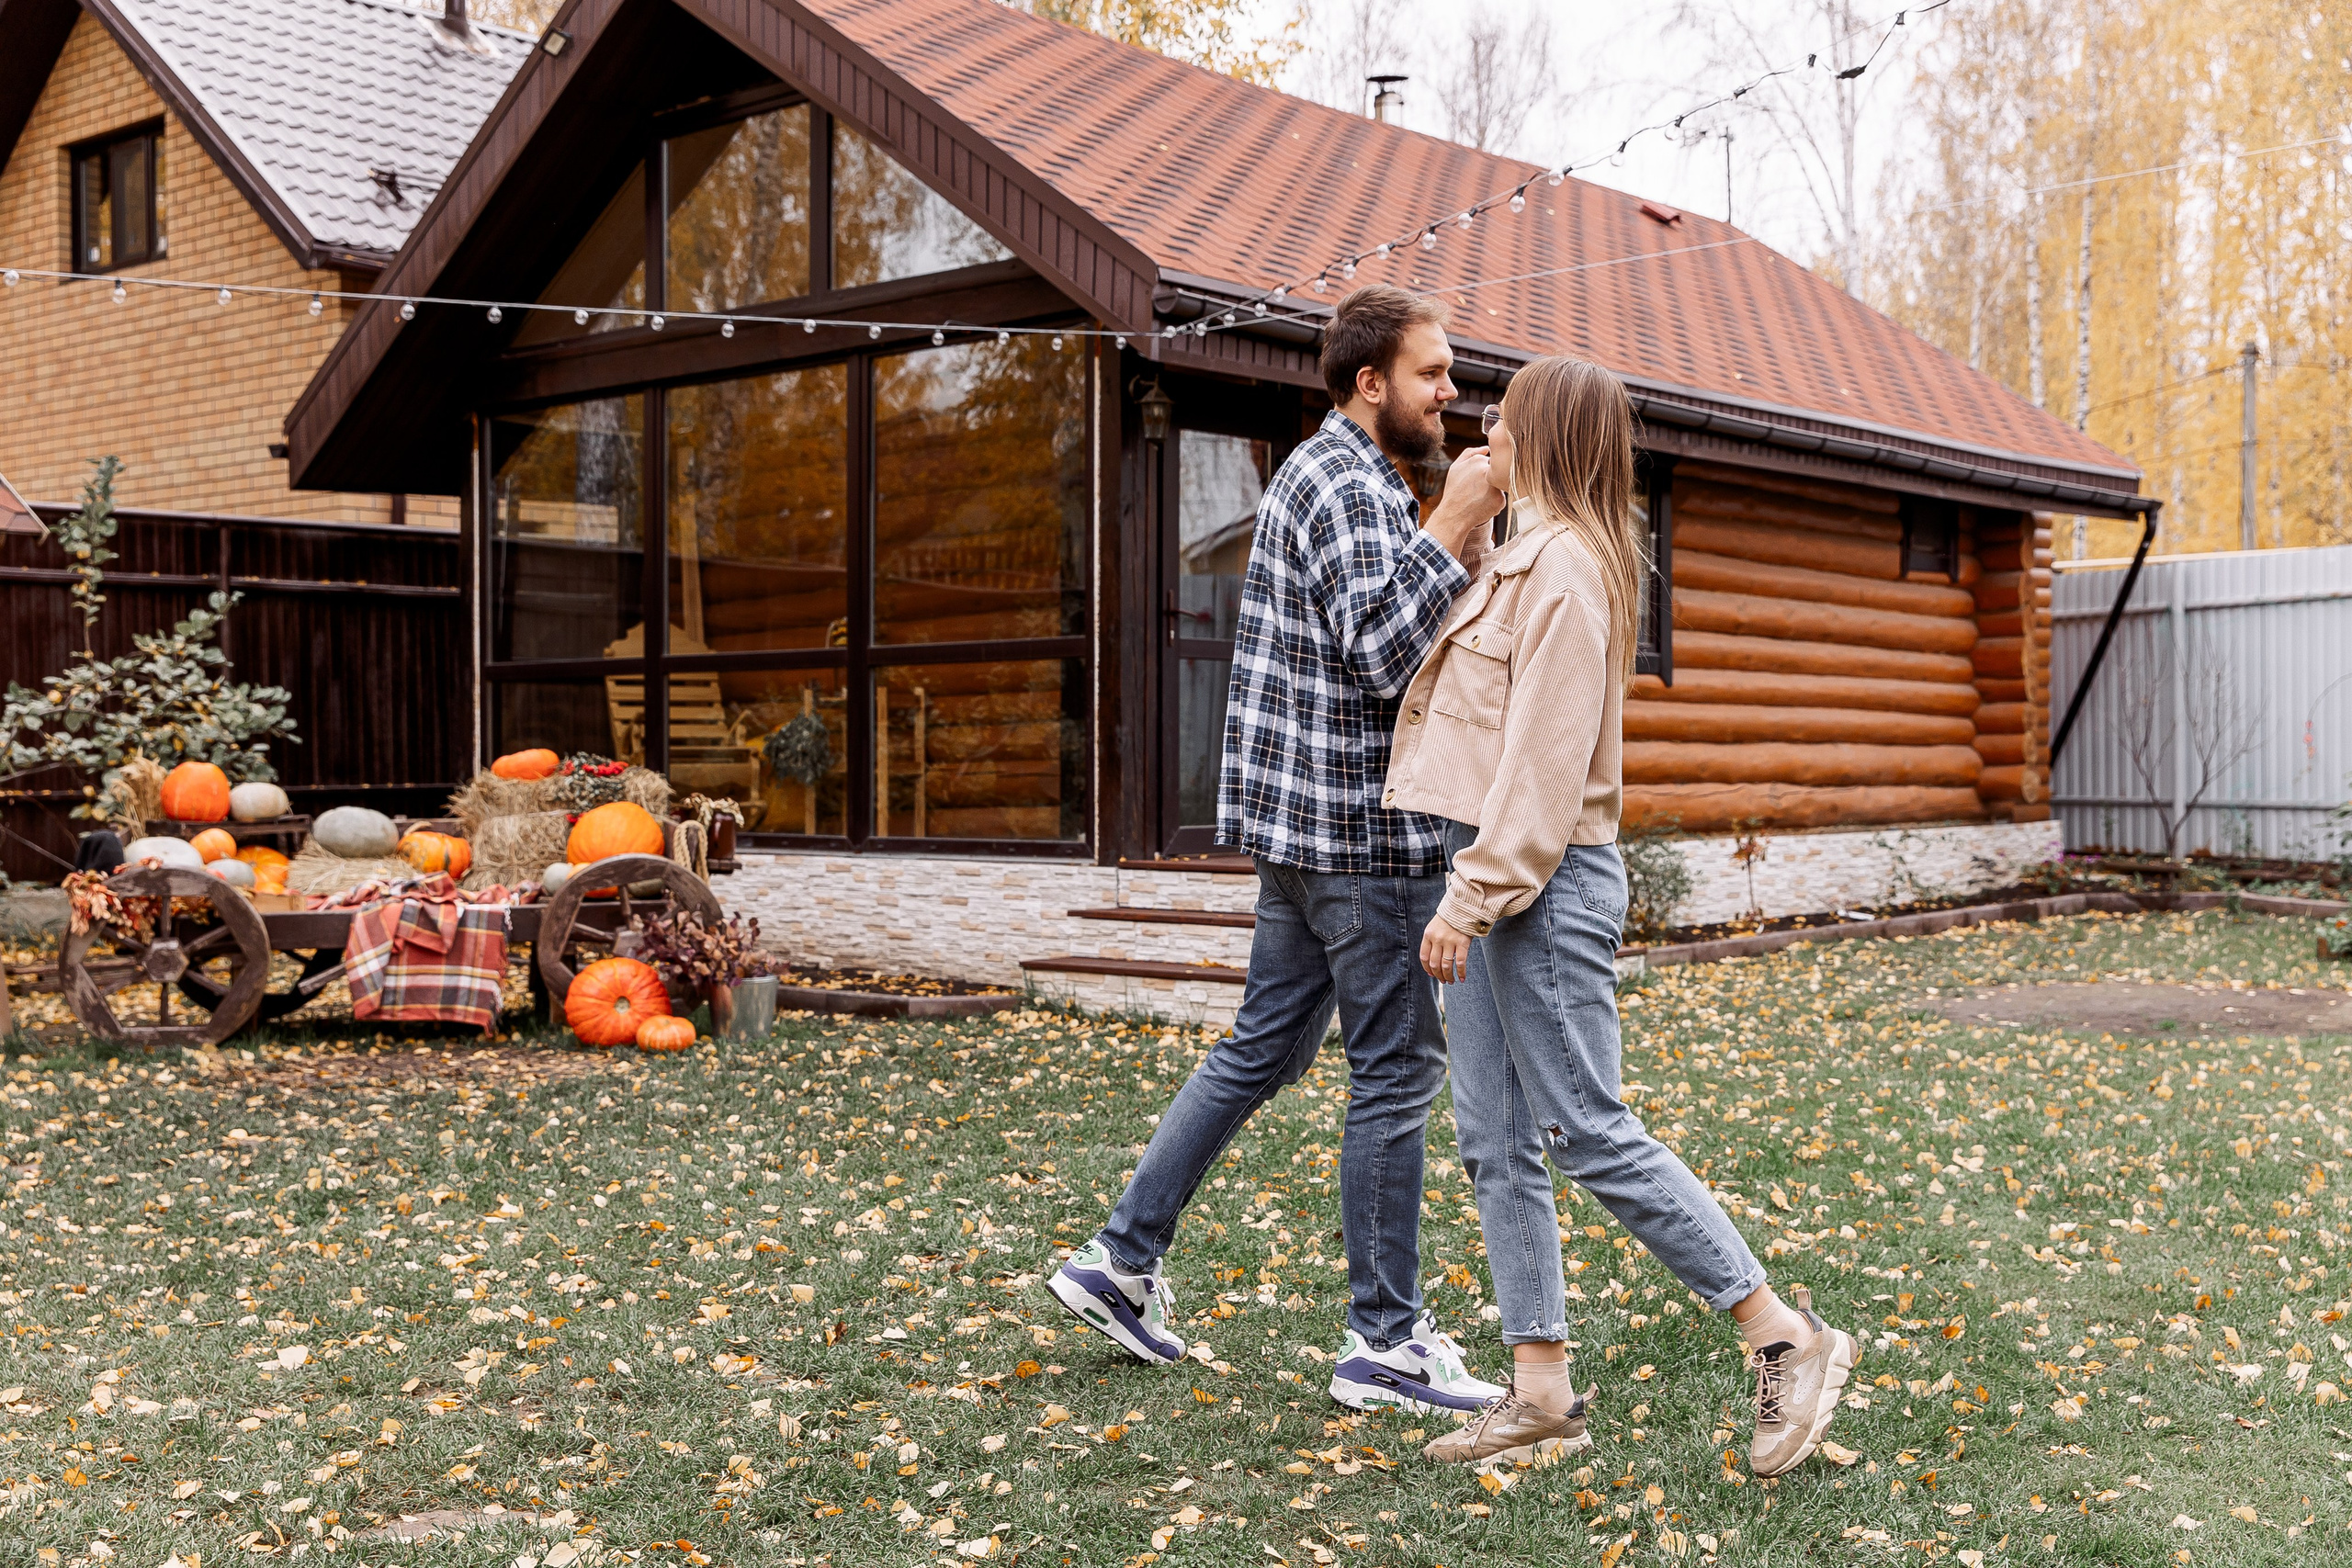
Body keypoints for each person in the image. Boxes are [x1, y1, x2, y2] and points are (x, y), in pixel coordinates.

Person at [1385, 355, 1857, 1473]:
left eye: (1501, 418)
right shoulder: (1526, 555)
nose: (1482, 428)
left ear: (1541, 434)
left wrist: (1473, 892)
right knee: (1494, 1140)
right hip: (1507, 879)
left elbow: (1543, 771)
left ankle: (1780, 1333)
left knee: (1585, 1128)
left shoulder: (1565, 570)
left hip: (1537, 888)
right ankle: (1539, 1388)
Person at [1046, 285, 1510, 1415]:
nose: (1449, 391)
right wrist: (1455, 517)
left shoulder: (1328, 477)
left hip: (1306, 838)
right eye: (1431, 373)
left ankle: (1120, 1261)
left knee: (1263, 1050)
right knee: (1396, 1077)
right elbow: (1382, 651)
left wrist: (1458, 523)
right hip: (1361, 839)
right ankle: (1385, 1344)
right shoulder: (1348, 481)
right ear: (1368, 383)